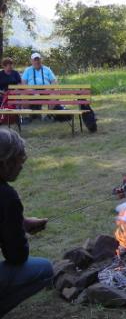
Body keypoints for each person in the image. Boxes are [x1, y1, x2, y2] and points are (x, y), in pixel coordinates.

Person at [0, 128, 53, 317]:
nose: (22, 165)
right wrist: (17, 230)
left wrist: (19, 222)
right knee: (44, 269)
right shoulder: (7, 197)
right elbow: (16, 256)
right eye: (19, 159)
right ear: (5, 162)